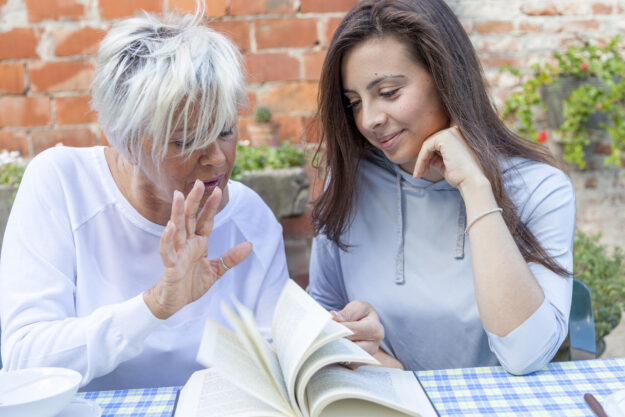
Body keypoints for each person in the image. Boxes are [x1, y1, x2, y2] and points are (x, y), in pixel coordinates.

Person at [0, 12, 289, 390]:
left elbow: (274, 359)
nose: (217, 158)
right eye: (186, 141)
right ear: (124, 140)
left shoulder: (250, 218)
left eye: (225, 131)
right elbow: (24, 358)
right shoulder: (62, 184)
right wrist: (154, 306)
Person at [308, 0, 576, 375]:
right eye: (353, 102)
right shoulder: (351, 183)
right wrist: (359, 343)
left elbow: (527, 354)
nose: (368, 120)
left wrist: (476, 188)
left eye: (388, 92)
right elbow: (322, 312)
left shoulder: (540, 189)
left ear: (445, 77)